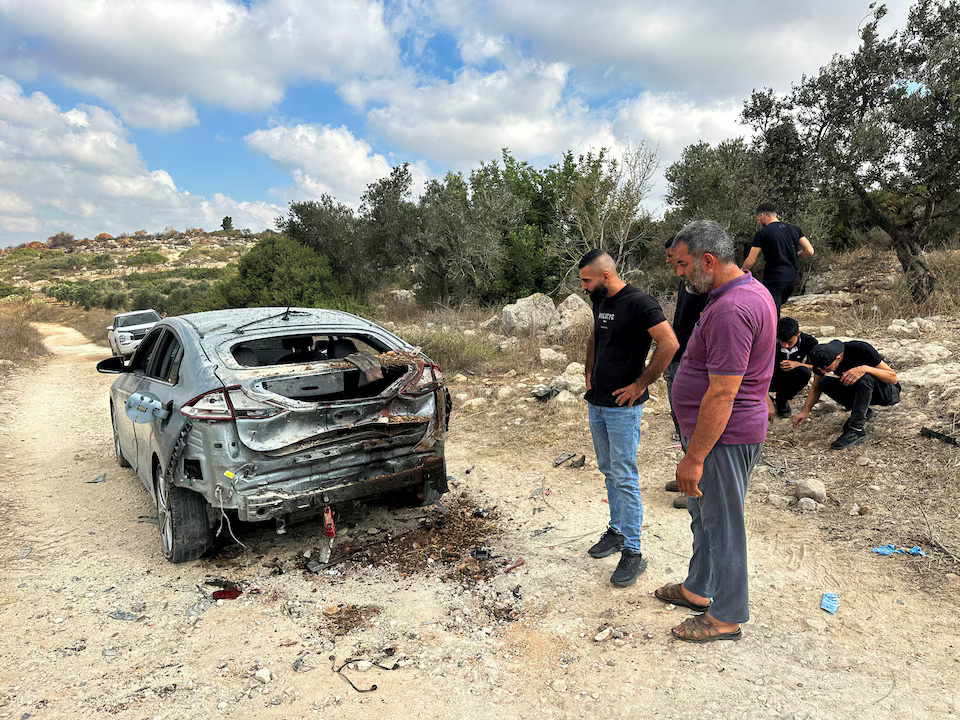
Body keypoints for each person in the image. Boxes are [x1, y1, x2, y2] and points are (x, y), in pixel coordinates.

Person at [654, 220, 776, 642]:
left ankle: (726, 615)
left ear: (708, 260)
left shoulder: (730, 308)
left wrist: (694, 457)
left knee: (722, 525)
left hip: (723, 438)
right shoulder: (743, 292)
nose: (680, 272)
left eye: (684, 264)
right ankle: (698, 588)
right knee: (703, 518)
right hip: (719, 434)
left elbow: (723, 393)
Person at [579, 250, 679, 587]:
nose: (584, 287)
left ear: (605, 276)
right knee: (608, 470)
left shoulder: (640, 303)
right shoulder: (600, 299)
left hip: (624, 407)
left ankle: (634, 552)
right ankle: (617, 531)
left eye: (586, 280)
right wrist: (589, 368)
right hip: (598, 400)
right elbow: (595, 335)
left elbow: (669, 343)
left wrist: (641, 383)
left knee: (624, 475)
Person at [664, 237, 709, 509]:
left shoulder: (703, 286)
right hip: (676, 355)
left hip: (690, 361)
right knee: (678, 419)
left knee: (692, 421)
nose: (670, 263)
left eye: (675, 257)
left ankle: (698, 482)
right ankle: (686, 473)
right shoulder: (685, 282)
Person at [792, 339, 901, 450]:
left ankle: (856, 429)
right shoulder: (823, 358)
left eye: (827, 369)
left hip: (888, 393)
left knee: (864, 377)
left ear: (838, 358)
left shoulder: (861, 349)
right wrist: (804, 411)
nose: (825, 372)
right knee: (823, 382)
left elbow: (892, 378)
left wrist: (864, 369)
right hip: (863, 392)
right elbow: (816, 386)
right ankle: (863, 411)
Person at [742, 202, 815, 317]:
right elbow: (809, 251)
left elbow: (751, 260)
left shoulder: (762, 233)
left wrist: (740, 272)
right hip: (792, 279)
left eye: (758, 219)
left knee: (772, 315)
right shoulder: (795, 229)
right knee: (776, 310)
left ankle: (775, 334)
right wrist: (794, 255)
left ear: (762, 216)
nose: (759, 222)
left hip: (774, 279)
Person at [770, 317, 817, 418]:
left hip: (791, 378)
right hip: (770, 377)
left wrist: (798, 364)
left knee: (804, 372)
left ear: (798, 334)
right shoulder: (769, 341)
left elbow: (817, 366)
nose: (786, 346)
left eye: (790, 342)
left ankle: (782, 400)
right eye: (782, 342)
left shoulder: (810, 342)